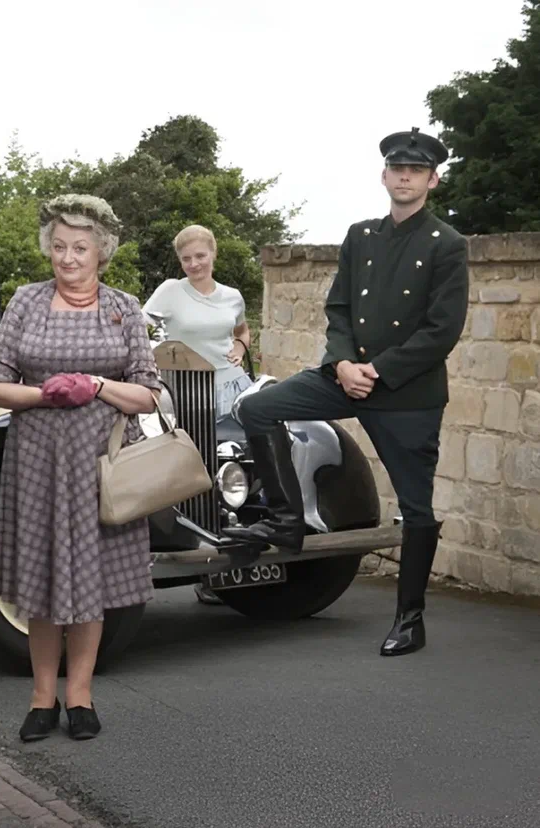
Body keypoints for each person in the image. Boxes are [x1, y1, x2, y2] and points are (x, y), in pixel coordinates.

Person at [225, 127, 468, 657]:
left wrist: (375, 370)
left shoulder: (446, 244)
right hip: (344, 375)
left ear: (432, 180)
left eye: (416, 171)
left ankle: (410, 619)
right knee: (258, 408)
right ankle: (286, 522)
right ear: (384, 175)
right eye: (397, 169)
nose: (405, 177)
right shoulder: (361, 236)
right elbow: (338, 309)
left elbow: (441, 330)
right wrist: (340, 363)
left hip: (406, 393)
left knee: (416, 507)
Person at [0, 194, 160, 742]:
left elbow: (149, 394)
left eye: (80, 248)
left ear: (101, 251)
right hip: (37, 461)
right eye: (59, 247)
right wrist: (45, 393)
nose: (68, 258)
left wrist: (96, 385)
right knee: (42, 581)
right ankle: (42, 698)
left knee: (89, 581)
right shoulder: (26, 302)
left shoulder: (124, 308)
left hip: (101, 464)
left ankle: (80, 696)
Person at [143, 224, 251, 606]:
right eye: (186, 259)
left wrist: (240, 347)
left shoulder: (232, 295)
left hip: (230, 387)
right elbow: (141, 327)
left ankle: (235, 558)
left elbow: (242, 330)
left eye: (200, 256)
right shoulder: (170, 291)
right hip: (186, 391)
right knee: (194, 473)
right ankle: (203, 565)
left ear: (213, 254)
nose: (194, 264)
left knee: (233, 471)